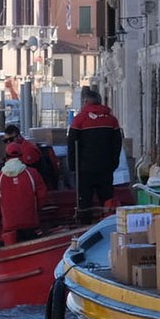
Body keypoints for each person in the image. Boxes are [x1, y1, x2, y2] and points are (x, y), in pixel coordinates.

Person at [68, 85, 122, 222]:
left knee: (85, 202)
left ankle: (84, 228)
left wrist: (73, 166)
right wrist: (114, 163)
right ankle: (110, 225)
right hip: (106, 168)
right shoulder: (111, 120)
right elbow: (117, 144)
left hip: (84, 169)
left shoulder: (80, 119)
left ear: (86, 102)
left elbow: (72, 144)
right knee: (107, 200)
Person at [0, 150, 47, 246]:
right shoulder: (32, 173)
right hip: (30, 223)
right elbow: (42, 195)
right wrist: (33, 209)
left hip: (9, 226)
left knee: (10, 246)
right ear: (21, 156)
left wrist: (3, 213)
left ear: (6, 157)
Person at [4, 123, 58, 188]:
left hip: (35, 184)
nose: (8, 142)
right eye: (5, 141)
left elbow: (31, 173)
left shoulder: (28, 149)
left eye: (10, 140)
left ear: (18, 136)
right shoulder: (14, 149)